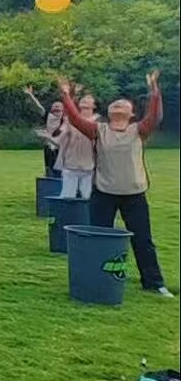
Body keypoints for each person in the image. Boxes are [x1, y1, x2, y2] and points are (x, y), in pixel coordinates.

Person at [59, 72, 172, 298]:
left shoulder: (138, 131)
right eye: (115, 104)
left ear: (131, 114)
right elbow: (74, 119)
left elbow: (155, 117)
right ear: (109, 113)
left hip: (134, 195)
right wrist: (66, 95)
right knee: (98, 238)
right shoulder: (98, 131)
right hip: (103, 194)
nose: (118, 105)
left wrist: (154, 90)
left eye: (124, 104)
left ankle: (154, 283)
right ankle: (95, 277)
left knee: (143, 240)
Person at [52, 88, 97, 199]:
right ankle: (66, 216)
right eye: (83, 100)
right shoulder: (70, 121)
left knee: (89, 197)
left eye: (88, 101)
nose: (85, 102)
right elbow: (58, 139)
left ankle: (92, 216)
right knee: (67, 196)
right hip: (71, 165)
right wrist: (49, 138)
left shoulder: (99, 123)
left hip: (90, 167)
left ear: (94, 106)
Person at [24, 85, 64, 177]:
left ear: (63, 111)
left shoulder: (67, 121)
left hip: (62, 149)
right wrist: (30, 95)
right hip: (49, 148)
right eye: (55, 107)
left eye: (59, 107)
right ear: (51, 110)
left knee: (61, 172)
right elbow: (38, 107)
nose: (56, 108)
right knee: (49, 170)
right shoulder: (48, 117)